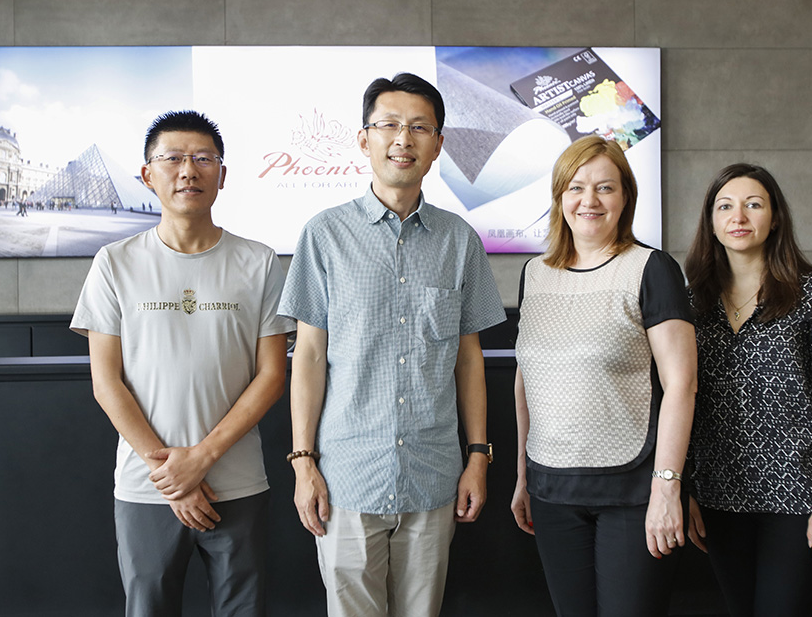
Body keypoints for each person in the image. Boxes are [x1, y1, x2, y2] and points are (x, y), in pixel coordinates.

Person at [278, 72, 506, 617]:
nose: (403, 139)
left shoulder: (460, 240)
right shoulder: (324, 235)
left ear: (438, 145)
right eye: (389, 125)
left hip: (434, 474)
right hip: (346, 477)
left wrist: (478, 456)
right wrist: (303, 462)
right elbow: (308, 356)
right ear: (365, 139)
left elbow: (468, 359)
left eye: (419, 128)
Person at [70, 110, 293, 616]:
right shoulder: (114, 262)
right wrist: (171, 476)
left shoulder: (259, 262)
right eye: (172, 158)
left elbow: (271, 376)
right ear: (147, 174)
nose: (188, 170)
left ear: (222, 174)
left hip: (237, 484)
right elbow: (106, 382)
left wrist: (200, 460)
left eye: (203, 159)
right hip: (147, 488)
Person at [510, 135, 697, 617]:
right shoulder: (535, 273)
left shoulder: (652, 269)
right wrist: (522, 476)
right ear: (560, 197)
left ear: (625, 197)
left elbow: (682, 385)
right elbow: (526, 382)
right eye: (575, 187)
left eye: (605, 187)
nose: (589, 200)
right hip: (551, 490)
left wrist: (667, 488)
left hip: (633, 491)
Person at [684, 163, 812, 616]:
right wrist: (685, 488)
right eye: (725, 206)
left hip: (799, 495)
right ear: (711, 221)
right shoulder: (692, 301)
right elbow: (681, 400)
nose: (738, 216)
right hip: (719, 494)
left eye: (753, 204)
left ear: (775, 218)